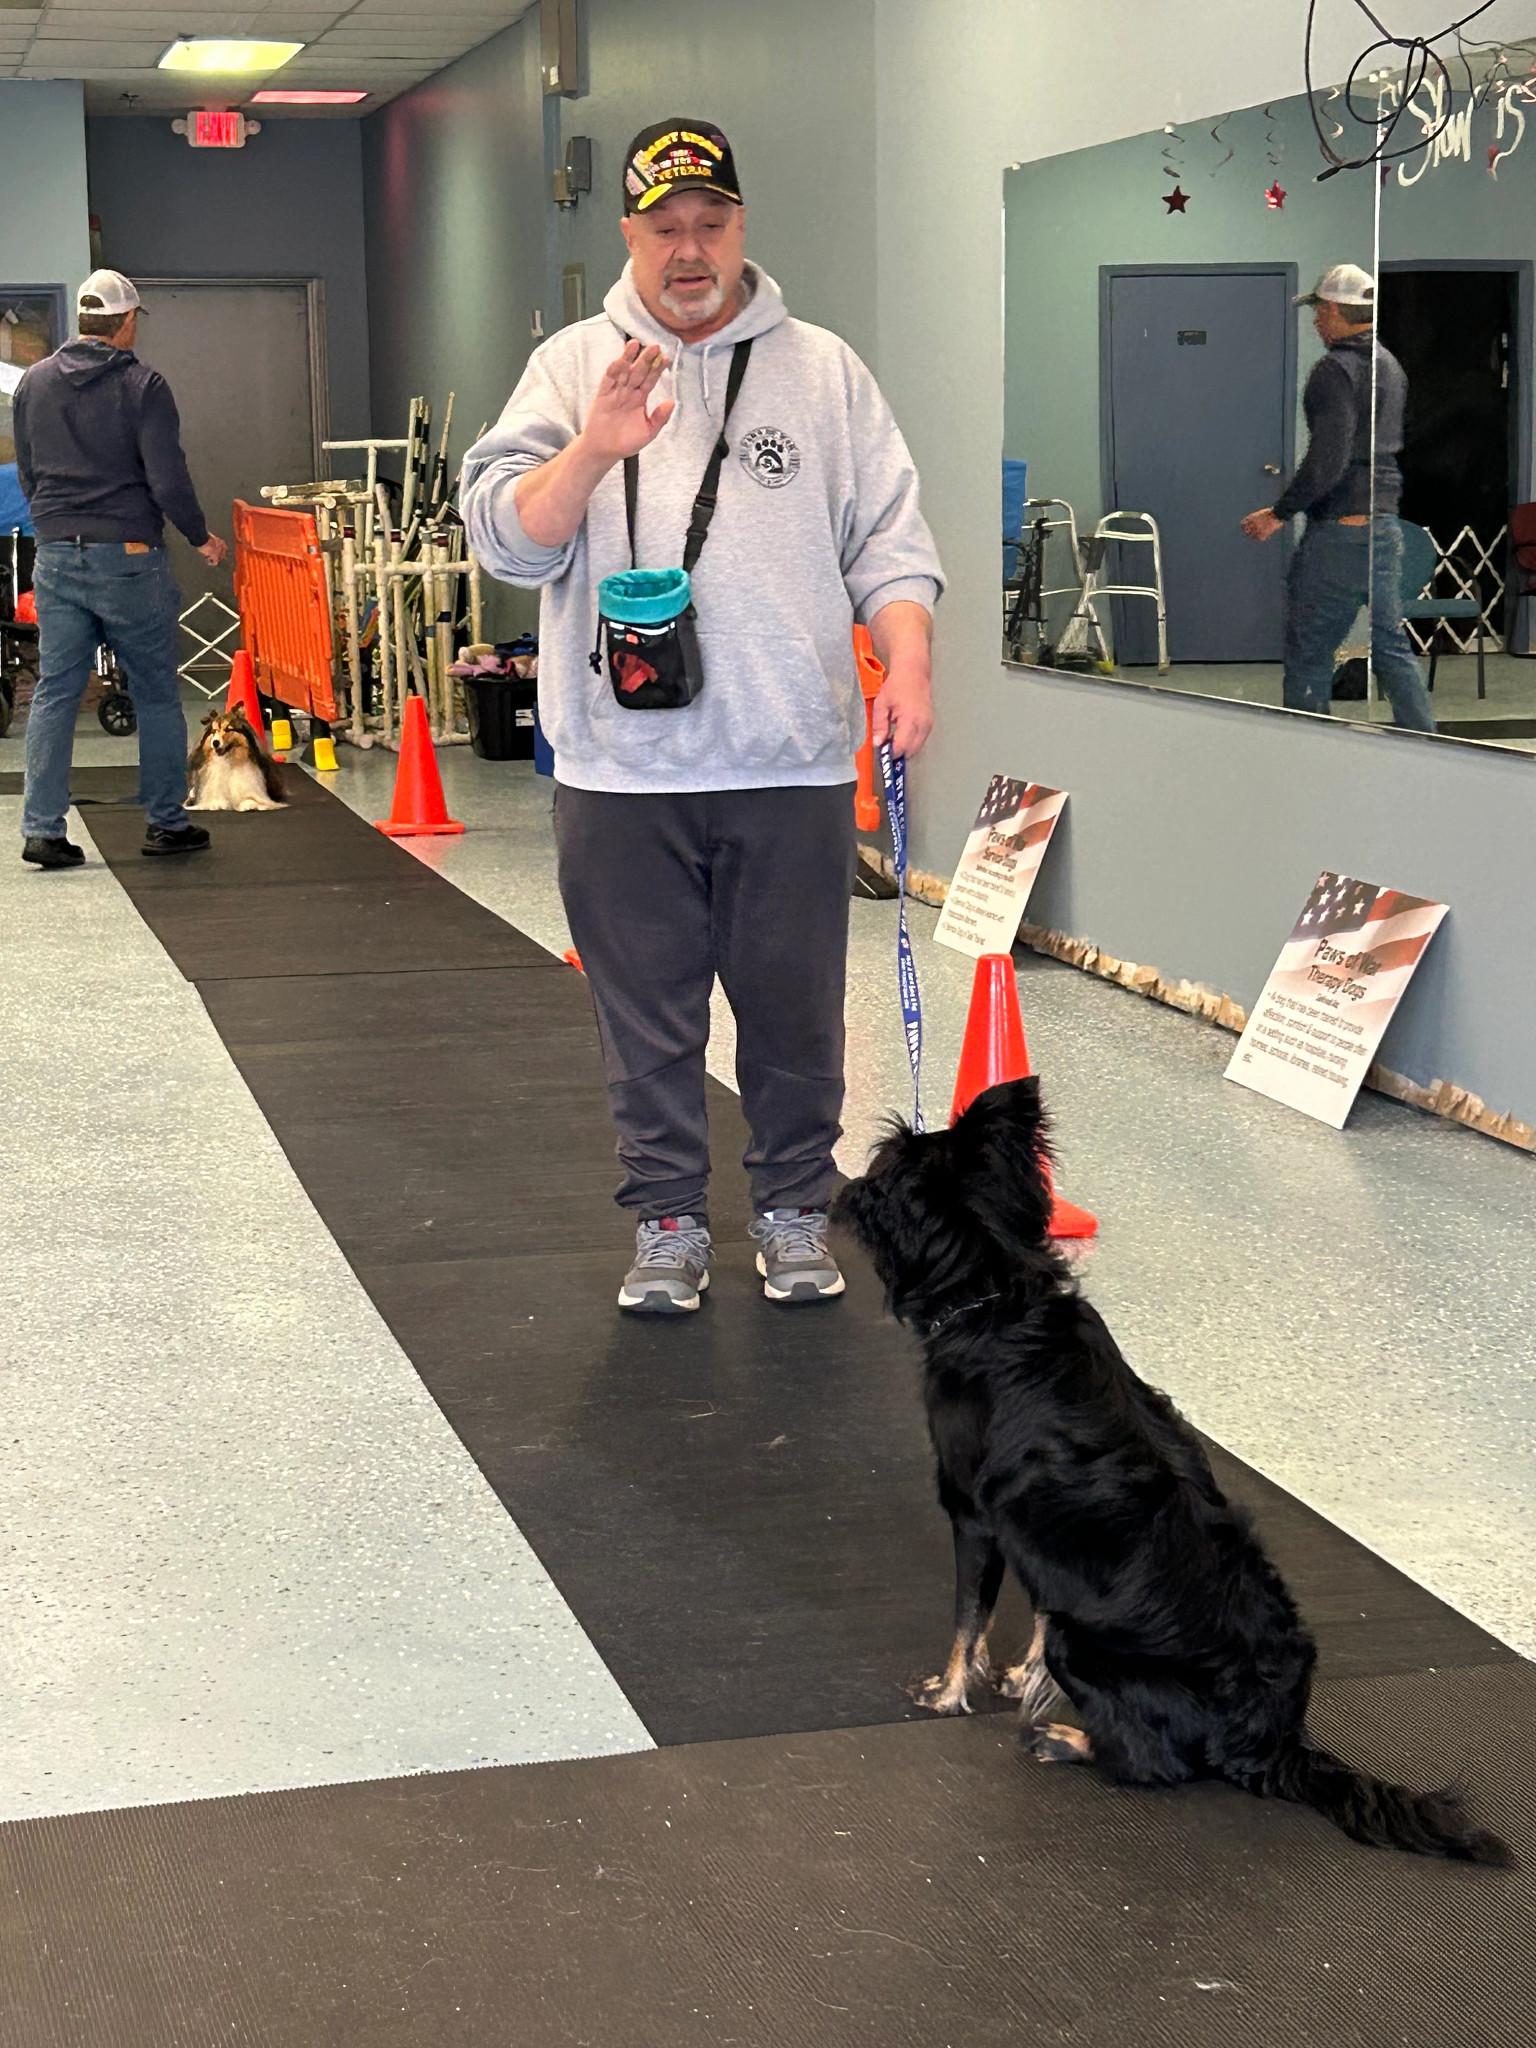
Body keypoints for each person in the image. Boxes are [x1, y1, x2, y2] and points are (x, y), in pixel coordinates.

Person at [462, 119, 943, 1316]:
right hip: (620, 769)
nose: (691, 249)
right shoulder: (571, 367)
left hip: (788, 760)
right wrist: (593, 449)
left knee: (793, 1014)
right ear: (629, 233)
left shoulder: (824, 371)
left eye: (711, 224)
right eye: (666, 227)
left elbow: (890, 541)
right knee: (647, 1019)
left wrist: (911, 666)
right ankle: (668, 1219)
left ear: (740, 228)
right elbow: (506, 539)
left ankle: (793, 1208)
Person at [13, 268, 227, 869]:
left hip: (56, 553)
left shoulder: (33, 383)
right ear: (128, 320)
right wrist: (200, 537)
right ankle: (166, 824)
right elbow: (168, 479)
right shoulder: (143, 385)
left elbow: (28, 472)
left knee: (55, 693)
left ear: (84, 320)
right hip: (130, 557)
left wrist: (56, 524)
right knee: (155, 691)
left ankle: (42, 830)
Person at [1241, 263, 1434, 734]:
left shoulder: (1333, 371)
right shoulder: (1390, 366)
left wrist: (1279, 513)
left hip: (1338, 535)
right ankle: (1427, 743)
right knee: (1391, 647)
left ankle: (1308, 749)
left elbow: (1329, 459)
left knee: (1309, 651)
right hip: (1383, 527)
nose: (1314, 322)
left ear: (1332, 309)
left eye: (1317, 311)